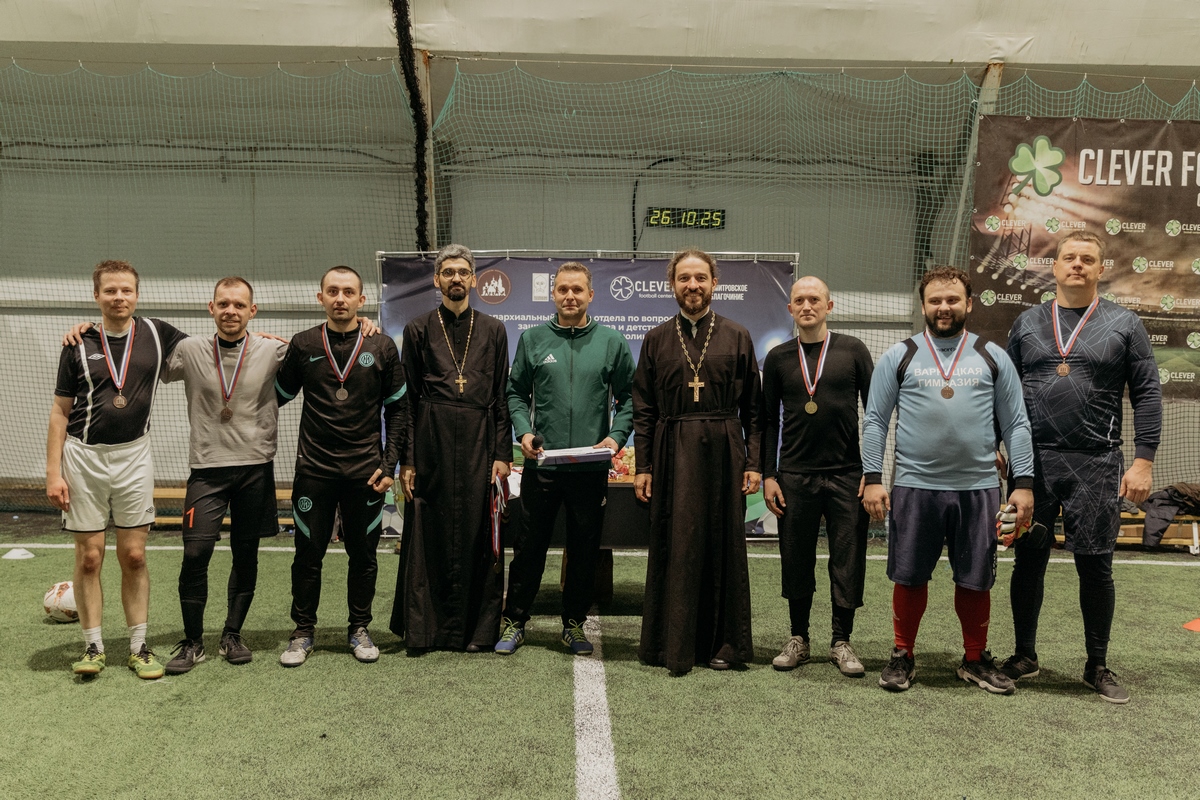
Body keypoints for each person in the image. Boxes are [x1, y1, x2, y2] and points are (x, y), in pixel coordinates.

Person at [1001, 231, 1161, 704]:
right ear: (1053, 267)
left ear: (1100, 268)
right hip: (1032, 464)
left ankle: (1097, 664)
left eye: (1087, 259)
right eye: (1068, 257)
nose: (1077, 265)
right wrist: (993, 445)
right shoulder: (1027, 322)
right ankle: (1024, 655)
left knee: (1095, 566)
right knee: (1028, 561)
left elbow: (1148, 393)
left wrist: (1143, 461)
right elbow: (1003, 391)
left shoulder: (1124, 323)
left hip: (1097, 462)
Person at [861, 265, 1034, 694]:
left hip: (978, 488)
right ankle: (903, 654)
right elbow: (875, 420)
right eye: (935, 300)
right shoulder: (899, 355)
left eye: (952, 299)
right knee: (909, 576)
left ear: (968, 304)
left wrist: (1024, 483)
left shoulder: (993, 356)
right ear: (923, 305)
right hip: (914, 486)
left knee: (975, 578)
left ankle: (974, 659)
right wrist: (873, 478)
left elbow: (1017, 423)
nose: (944, 307)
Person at [47, 260, 189, 679]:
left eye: (126, 290)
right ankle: (93, 647)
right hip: (83, 458)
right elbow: (60, 411)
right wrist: (53, 473)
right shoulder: (77, 343)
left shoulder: (157, 333)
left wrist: (259, 339)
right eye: (110, 290)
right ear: (96, 296)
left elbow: (215, 346)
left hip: (134, 457)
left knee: (134, 555)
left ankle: (139, 647)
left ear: (137, 295)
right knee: (90, 557)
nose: (118, 297)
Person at [632, 248, 764, 676]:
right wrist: (644, 466)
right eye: (684, 278)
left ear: (714, 283)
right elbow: (643, 410)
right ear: (672, 285)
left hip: (725, 451)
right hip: (671, 451)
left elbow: (755, 410)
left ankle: (724, 644)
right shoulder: (655, 339)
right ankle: (669, 644)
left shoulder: (738, 335)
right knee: (676, 543)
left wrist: (754, 463)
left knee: (723, 544)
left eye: (701, 278)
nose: (693, 285)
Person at [496, 261, 636, 656]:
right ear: (553, 294)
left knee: (585, 549)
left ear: (590, 294)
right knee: (529, 546)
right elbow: (515, 394)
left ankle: (573, 623)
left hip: (590, 469)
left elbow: (630, 399)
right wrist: (523, 432)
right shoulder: (533, 339)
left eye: (577, 290)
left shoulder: (612, 341)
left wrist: (615, 438)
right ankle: (515, 620)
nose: (570, 296)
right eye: (563, 290)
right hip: (542, 467)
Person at [274, 265, 406, 667]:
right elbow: (277, 394)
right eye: (332, 291)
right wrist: (261, 345)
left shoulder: (381, 346)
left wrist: (389, 464)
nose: (340, 299)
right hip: (314, 471)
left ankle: (359, 628)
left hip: (366, 473)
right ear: (320, 298)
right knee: (307, 554)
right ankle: (303, 631)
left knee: (363, 556)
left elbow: (399, 411)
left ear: (361, 300)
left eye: (348, 292)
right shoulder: (303, 344)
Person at [390, 244, 512, 653]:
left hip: (480, 442)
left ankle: (478, 632)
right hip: (432, 442)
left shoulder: (494, 329)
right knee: (430, 533)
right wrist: (408, 459)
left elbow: (500, 397)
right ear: (436, 280)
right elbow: (407, 401)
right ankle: (425, 631)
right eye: (448, 272)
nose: (455, 278)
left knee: (479, 533)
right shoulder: (418, 329)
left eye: (462, 272)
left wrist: (502, 454)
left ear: (474, 280)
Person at [762, 276, 874, 677]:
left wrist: (873, 472)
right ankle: (799, 637)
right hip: (794, 475)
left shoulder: (853, 350)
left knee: (848, 559)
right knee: (796, 558)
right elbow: (767, 422)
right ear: (790, 309)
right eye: (799, 300)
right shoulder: (777, 357)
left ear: (829, 305)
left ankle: (841, 641)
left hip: (847, 475)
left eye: (814, 299)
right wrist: (769, 475)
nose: (806, 306)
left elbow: (875, 414)